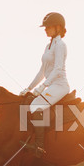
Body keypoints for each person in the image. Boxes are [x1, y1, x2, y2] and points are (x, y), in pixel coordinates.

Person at [19, 12, 70, 157]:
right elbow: (42, 71)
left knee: (35, 106)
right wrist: (28, 88)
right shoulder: (48, 46)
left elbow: (58, 68)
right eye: (45, 27)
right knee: (28, 100)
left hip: (59, 85)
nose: (45, 29)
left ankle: (39, 146)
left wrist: (43, 86)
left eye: (48, 27)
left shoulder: (60, 45)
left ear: (58, 27)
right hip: (51, 85)